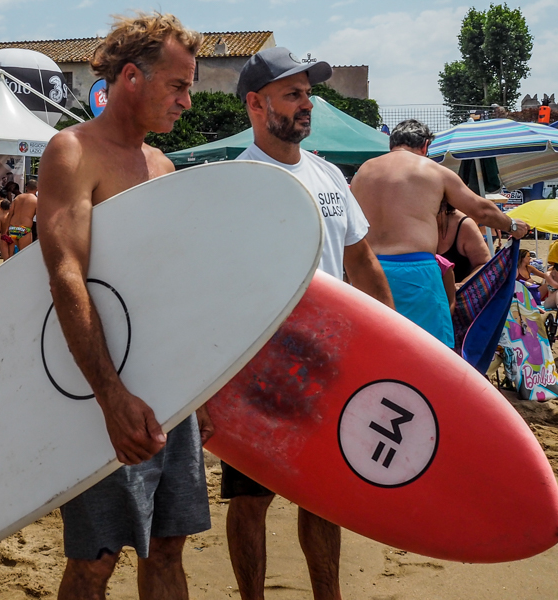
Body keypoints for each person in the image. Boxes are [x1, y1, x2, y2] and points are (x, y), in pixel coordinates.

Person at [37, 13, 209, 600]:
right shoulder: (73, 151)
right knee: (97, 558)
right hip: (101, 388)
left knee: (167, 547)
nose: (188, 101)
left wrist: (199, 388)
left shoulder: (161, 165)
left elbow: (171, 287)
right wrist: (110, 398)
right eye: (178, 86)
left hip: (171, 390)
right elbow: (65, 276)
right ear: (132, 77)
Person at [224, 46, 394, 600]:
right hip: (258, 365)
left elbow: (362, 262)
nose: (307, 104)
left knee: (323, 493)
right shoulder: (238, 180)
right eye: (293, 94)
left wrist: (394, 341)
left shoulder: (329, 175)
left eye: (307, 94)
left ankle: (329, 595)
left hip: (327, 361)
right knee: (250, 498)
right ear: (256, 103)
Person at [350, 119, 530, 348]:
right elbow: (481, 210)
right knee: (429, 351)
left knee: (375, 347)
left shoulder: (363, 171)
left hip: (367, 268)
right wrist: (512, 225)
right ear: (425, 146)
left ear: (391, 144)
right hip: (416, 272)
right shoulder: (432, 170)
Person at [436, 202, 491, 284]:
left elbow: (485, 265)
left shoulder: (464, 225)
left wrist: (461, 286)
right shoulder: (415, 224)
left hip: (458, 295)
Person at [7, 179, 38, 252]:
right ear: (37, 189)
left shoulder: (17, 198)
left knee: (14, 254)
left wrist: (6, 229)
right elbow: (39, 218)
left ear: (26, 187)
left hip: (13, 228)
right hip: (24, 228)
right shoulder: (36, 200)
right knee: (24, 253)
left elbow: (10, 213)